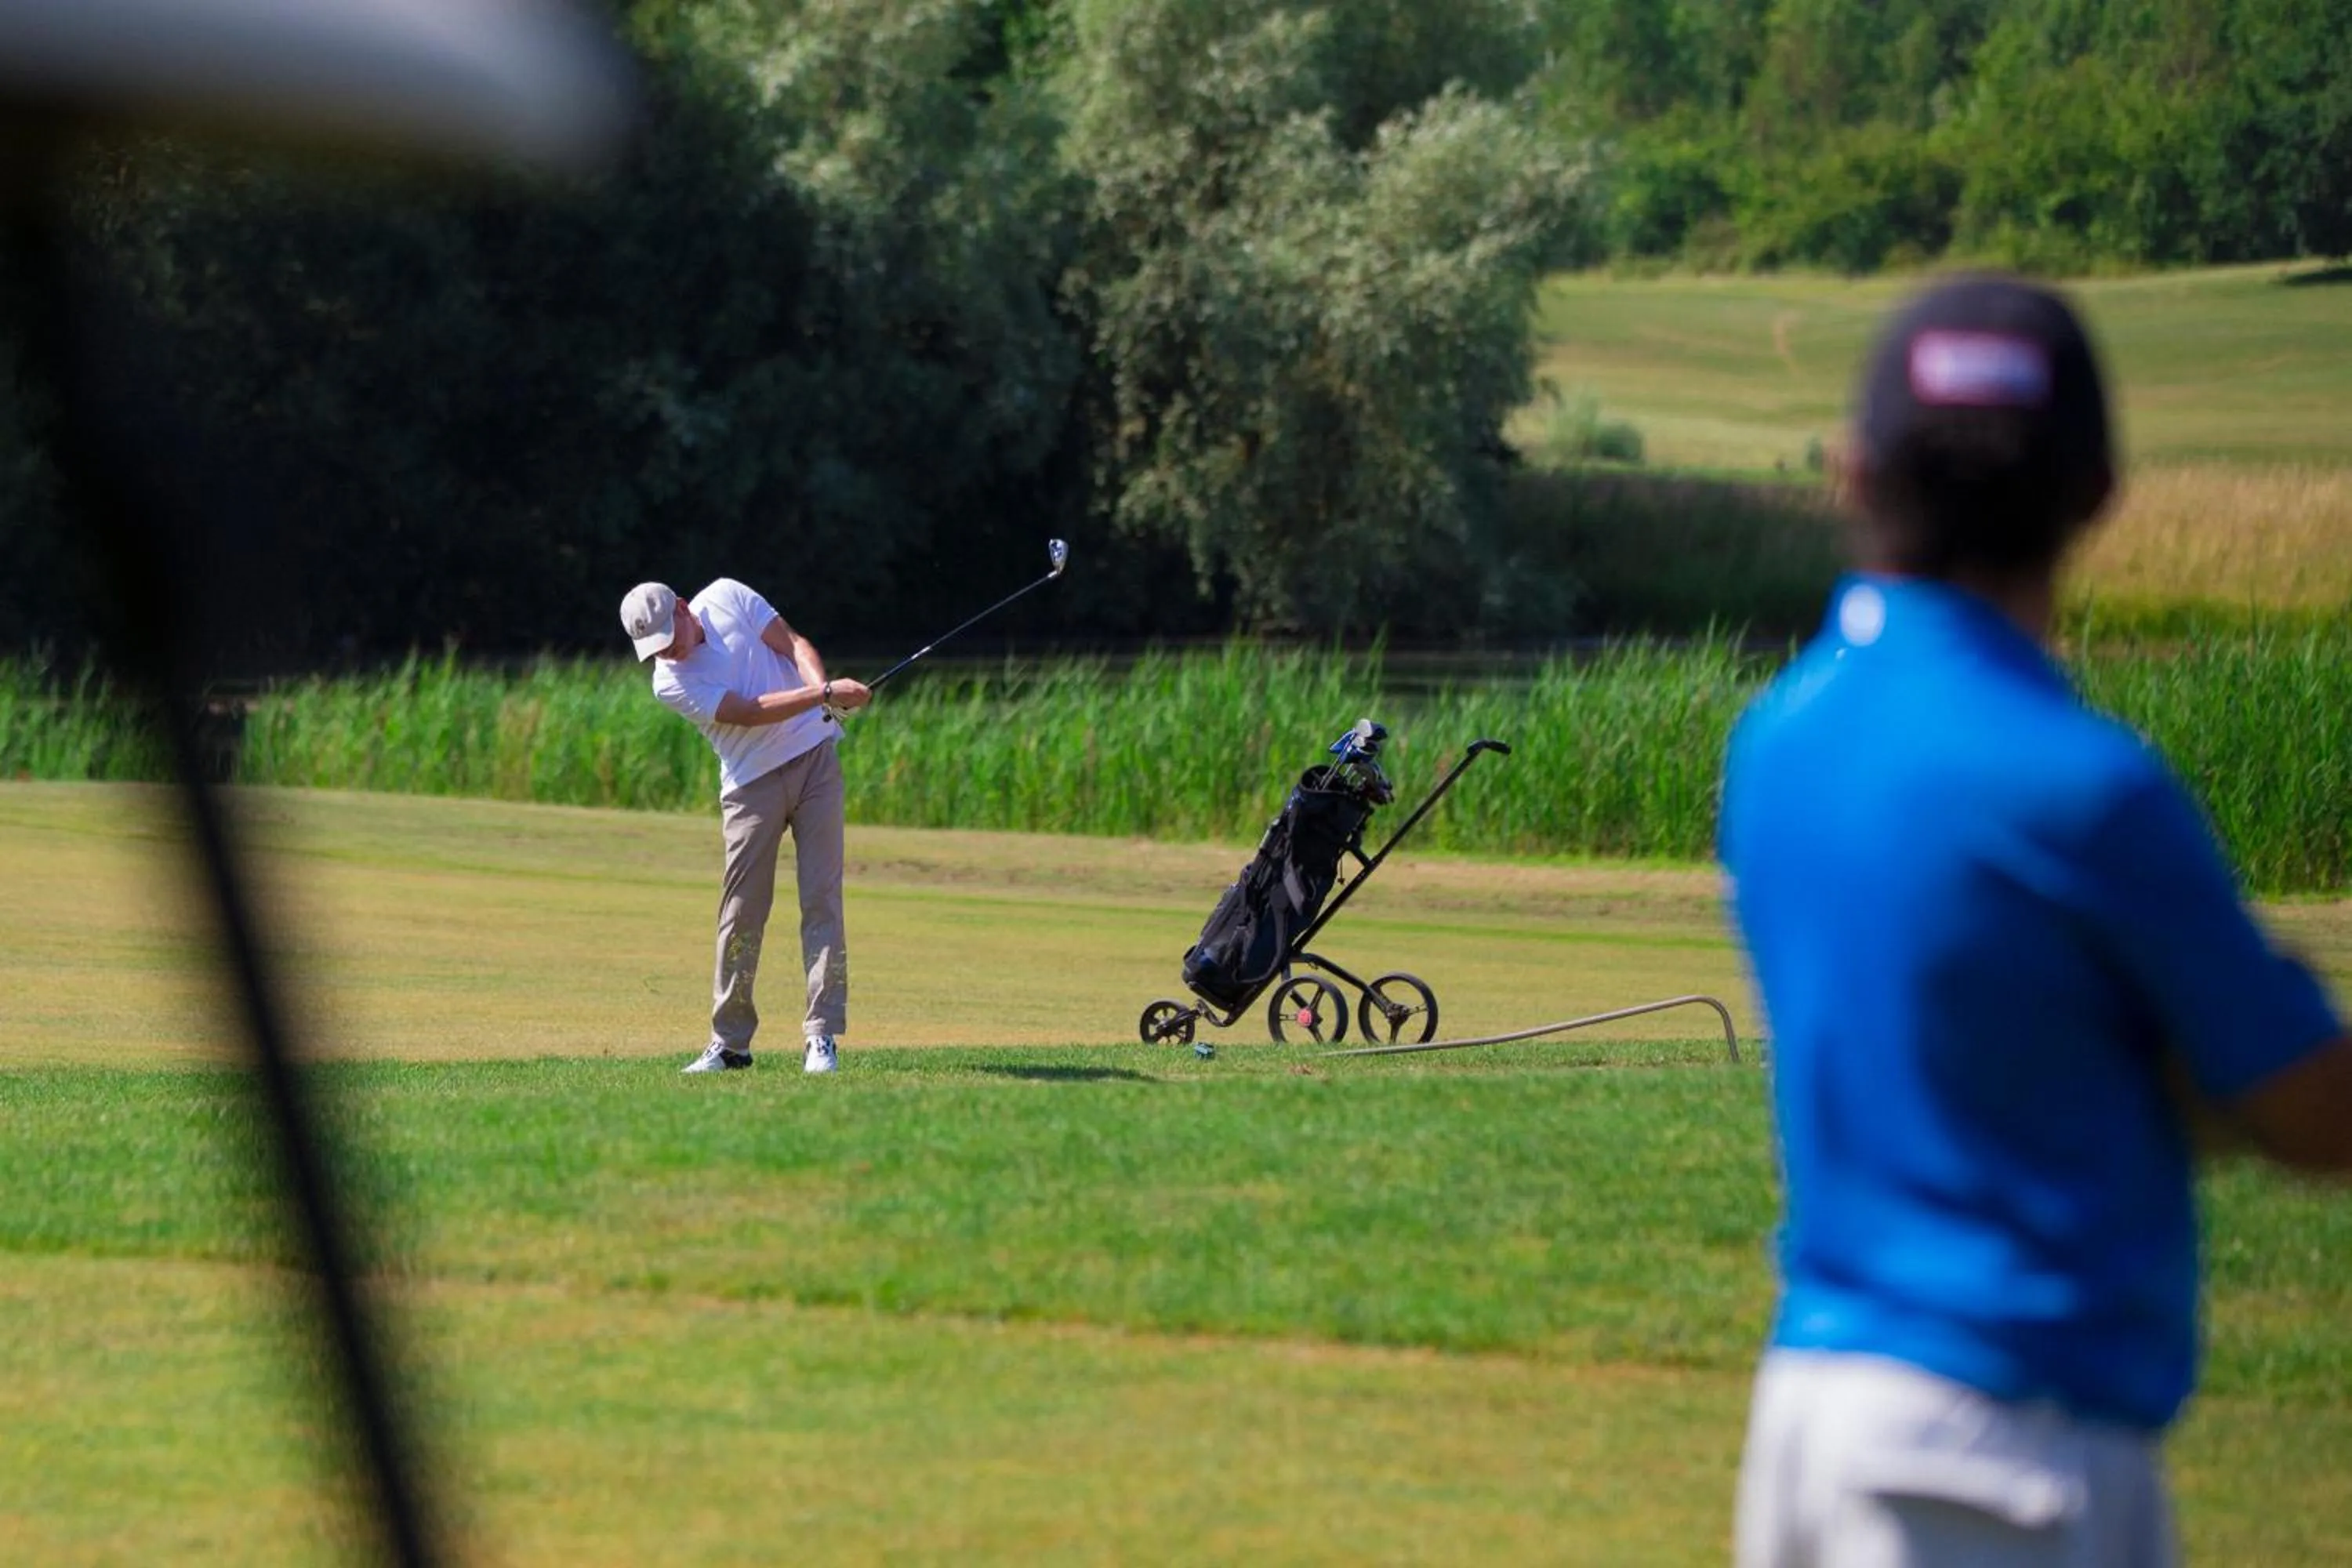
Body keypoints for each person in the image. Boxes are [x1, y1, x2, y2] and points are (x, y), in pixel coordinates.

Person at [1718, 275, 2352, 1566]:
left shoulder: (1777, 740)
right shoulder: (2087, 787)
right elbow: (2311, 1110)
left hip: (1814, 1417)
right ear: (2096, 495)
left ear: (1852, 472)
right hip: (2003, 1445)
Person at [619, 578, 872, 1075]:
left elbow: (794, 644)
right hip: (749, 786)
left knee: (821, 899)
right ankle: (730, 1042)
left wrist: (823, 695)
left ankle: (821, 1036)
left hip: (814, 762)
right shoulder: (668, 681)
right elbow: (748, 713)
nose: (667, 652)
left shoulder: (729, 595)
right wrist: (822, 692)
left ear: (685, 609)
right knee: (741, 914)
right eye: (654, 649)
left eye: (670, 637)